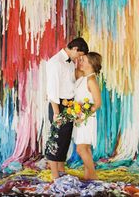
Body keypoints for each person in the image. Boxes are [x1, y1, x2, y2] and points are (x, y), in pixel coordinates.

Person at [45, 37, 89, 179]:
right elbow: (52, 91)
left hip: (69, 105)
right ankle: (54, 175)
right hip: (58, 105)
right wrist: (56, 112)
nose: (79, 58)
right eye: (80, 55)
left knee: (65, 139)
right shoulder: (55, 62)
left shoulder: (70, 63)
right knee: (56, 140)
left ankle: (61, 170)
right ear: (75, 49)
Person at [72, 52, 102, 180]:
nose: (80, 62)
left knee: (81, 148)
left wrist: (84, 116)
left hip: (87, 119)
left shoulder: (91, 80)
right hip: (81, 117)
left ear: (90, 64)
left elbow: (98, 103)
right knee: (85, 148)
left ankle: (93, 175)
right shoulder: (83, 77)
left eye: (83, 60)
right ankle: (88, 175)